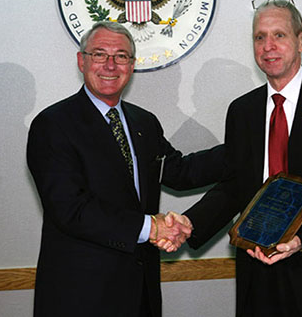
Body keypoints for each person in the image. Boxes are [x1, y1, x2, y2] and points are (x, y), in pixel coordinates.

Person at [165, 0, 302, 317]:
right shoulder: (242, 111)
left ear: (301, 40)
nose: (268, 46)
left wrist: (300, 240)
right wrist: (191, 222)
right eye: (259, 37)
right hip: (258, 279)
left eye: (279, 35)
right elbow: (235, 187)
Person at [27, 21, 223, 317]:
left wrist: (248, 145)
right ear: (82, 60)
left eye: (121, 56)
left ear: (132, 65)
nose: (110, 65)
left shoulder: (144, 122)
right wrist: (151, 227)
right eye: (99, 54)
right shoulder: (53, 125)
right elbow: (71, 209)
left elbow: (180, 172)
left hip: (140, 293)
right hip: (80, 297)